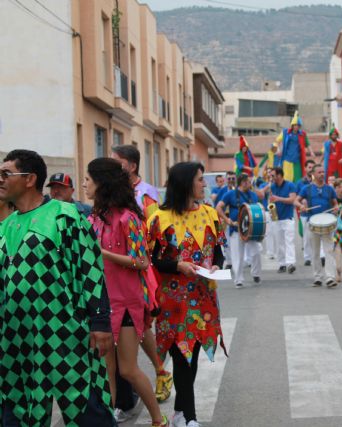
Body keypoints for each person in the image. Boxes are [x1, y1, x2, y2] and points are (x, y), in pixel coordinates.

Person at [0, 150, 114, 426]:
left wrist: (100, 322)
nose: (0, 180)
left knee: (86, 407)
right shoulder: (7, 226)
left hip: (65, 334)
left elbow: (91, 270)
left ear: (29, 179)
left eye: (5, 174)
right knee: (17, 407)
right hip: (17, 340)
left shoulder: (65, 216)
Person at [84, 158, 167, 427]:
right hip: (100, 304)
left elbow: (142, 262)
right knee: (105, 371)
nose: (85, 184)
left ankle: (158, 419)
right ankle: (108, 421)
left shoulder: (129, 218)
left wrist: (103, 252)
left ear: (102, 184)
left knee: (128, 370)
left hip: (127, 305)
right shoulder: (93, 219)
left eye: (89, 179)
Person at [147, 162, 226, 427]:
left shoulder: (210, 214)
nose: (205, 184)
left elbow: (218, 252)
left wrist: (216, 265)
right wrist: (177, 265)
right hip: (173, 301)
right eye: (201, 180)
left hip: (203, 298)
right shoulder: (159, 217)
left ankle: (181, 411)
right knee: (181, 355)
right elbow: (152, 258)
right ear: (185, 183)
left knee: (192, 356)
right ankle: (189, 418)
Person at [112, 144, 173, 409]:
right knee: (139, 326)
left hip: (139, 269)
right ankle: (158, 372)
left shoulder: (146, 195)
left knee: (141, 324)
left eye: (118, 162)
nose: (114, 166)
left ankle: (161, 371)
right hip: (118, 271)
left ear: (132, 166)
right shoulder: (114, 191)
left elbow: (154, 233)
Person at [216, 173, 263, 287]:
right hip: (236, 229)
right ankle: (238, 280)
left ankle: (256, 273)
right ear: (243, 182)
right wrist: (227, 220)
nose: (249, 184)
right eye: (248, 182)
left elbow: (257, 209)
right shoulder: (230, 194)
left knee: (256, 252)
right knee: (237, 256)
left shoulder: (253, 195)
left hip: (251, 229)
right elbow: (218, 207)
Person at [295, 164, 338, 287]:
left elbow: (335, 203)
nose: (322, 174)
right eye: (319, 172)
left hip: (327, 222)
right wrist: (301, 206)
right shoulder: (307, 189)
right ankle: (318, 277)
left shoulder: (329, 189)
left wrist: (335, 208)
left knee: (329, 251)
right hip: (312, 223)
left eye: (323, 172)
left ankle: (330, 277)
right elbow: (295, 200)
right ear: (314, 174)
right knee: (315, 252)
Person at [112, 145, 160, 218]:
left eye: (118, 164)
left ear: (133, 167)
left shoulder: (147, 193)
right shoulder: (110, 190)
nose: (111, 167)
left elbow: (154, 225)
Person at [269, 167, 298, 274]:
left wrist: (278, 198)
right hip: (276, 218)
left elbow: (292, 199)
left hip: (288, 218)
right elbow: (272, 200)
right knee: (279, 243)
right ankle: (282, 264)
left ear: (280, 175)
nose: (271, 178)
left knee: (289, 241)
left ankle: (290, 263)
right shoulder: (272, 186)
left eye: (273, 175)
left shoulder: (290, 185)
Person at [276, 110, 315, 183]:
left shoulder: (302, 134)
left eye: (298, 125)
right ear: (292, 125)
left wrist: (311, 152)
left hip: (297, 161)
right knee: (287, 179)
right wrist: (278, 150)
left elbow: (308, 144)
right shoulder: (285, 132)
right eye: (295, 125)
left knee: (298, 180)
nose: (296, 127)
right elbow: (277, 141)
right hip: (287, 160)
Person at [297, 159, 319, 266]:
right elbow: (296, 197)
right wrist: (302, 201)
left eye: (312, 167)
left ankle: (318, 255)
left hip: (316, 212)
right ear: (305, 168)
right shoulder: (300, 182)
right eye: (309, 167)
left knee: (317, 235)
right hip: (305, 213)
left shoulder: (317, 182)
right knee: (306, 236)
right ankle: (307, 257)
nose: (311, 169)